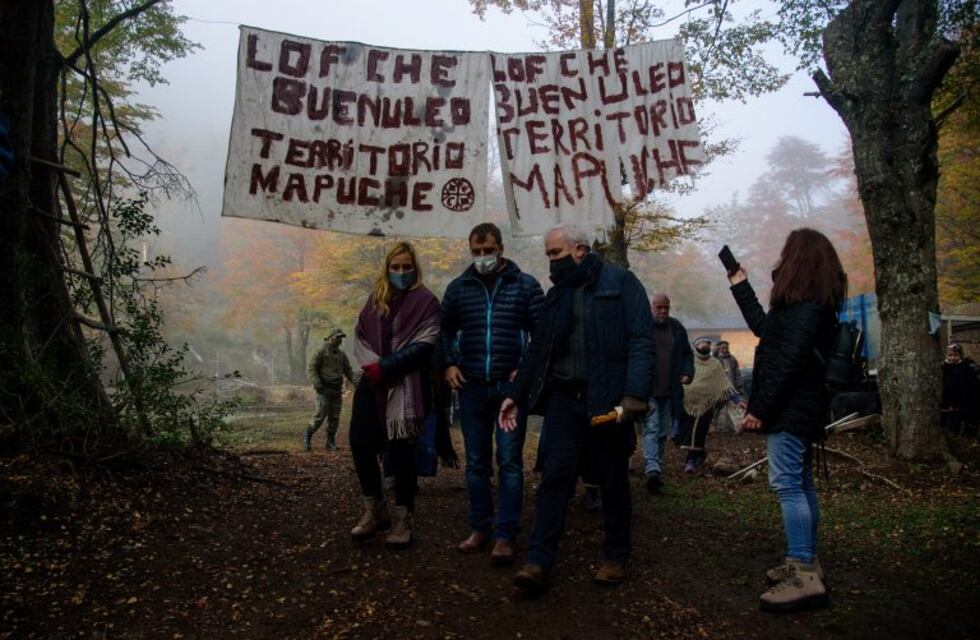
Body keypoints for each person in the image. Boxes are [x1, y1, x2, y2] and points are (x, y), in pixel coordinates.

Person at [498, 224, 653, 594]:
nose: (551, 262)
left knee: (613, 479)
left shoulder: (621, 283)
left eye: (556, 253)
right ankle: (538, 561)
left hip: (608, 401)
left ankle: (615, 556)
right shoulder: (557, 295)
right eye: (548, 255)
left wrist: (634, 394)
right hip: (564, 401)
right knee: (555, 478)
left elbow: (641, 339)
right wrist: (515, 394)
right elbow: (538, 350)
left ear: (580, 250)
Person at [728, 228, 844, 613]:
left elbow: (786, 362)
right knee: (801, 482)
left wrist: (760, 408)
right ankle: (806, 562)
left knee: (787, 486)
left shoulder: (807, 308)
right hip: (802, 408)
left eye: (785, 252)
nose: (779, 259)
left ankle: (803, 574)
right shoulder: (804, 306)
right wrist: (740, 286)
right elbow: (766, 330)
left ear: (798, 259)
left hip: (792, 410)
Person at [440, 222, 544, 565]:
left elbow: (542, 337)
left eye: (488, 250)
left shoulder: (526, 285)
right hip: (471, 389)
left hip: (509, 392)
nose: (482, 257)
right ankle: (480, 528)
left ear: (501, 248)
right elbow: (442, 332)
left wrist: (522, 373)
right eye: (476, 251)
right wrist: (449, 364)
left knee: (510, 463)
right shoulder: (458, 288)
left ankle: (505, 535)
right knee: (476, 463)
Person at [348, 242, 441, 550]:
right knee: (360, 443)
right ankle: (374, 509)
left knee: (400, 453)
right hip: (371, 384)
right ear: (387, 269)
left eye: (406, 266)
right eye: (396, 267)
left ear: (415, 268)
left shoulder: (426, 301)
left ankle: (403, 518)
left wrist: (386, 367)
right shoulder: (376, 299)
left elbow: (426, 342)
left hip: (406, 386)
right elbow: (360, 334)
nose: (401, 272)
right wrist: (373, 367)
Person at [641, 293, 693, 493]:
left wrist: (688, 372)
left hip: (670, 391)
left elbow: (687, 354)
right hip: (649, 389)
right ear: (652, 307)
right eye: (659, 307)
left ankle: (656, 469)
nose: (662, 311)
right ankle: (652, 470)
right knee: (652, 429)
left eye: (666, 308)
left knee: (663, 432)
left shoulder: (677, 328)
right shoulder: (643, 327)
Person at [677, 336, 734, 472]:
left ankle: (691, 460)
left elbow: (724, 384)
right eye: (701, 343)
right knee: (688, 430)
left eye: (707, 344)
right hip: (687, 403)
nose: (704, 346)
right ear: (695, 346)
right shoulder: (689, 362)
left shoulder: (715, 364)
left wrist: (737, 399)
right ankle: (699, 455)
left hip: (706, 404)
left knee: (699, 430)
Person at [304, 328, 356, 451]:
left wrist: (357, 383)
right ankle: (307, 435)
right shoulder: (320, 351)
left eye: (341, 338)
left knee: (335, 417)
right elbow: (311, 368)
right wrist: (317, 384)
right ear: (330, 337)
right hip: (324, 389)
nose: (339, 340)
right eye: (337, 337)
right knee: (320, 416)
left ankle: (330, 440)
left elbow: (348, 371)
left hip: (336, 389)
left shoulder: (341, 355)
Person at [942, 342, 979, 435]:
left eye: (956, 355)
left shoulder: (965, 368)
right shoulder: (943, 368)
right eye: (950, 355)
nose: (953, 358)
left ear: (960, 356)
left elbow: (969, 387)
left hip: (963, 402)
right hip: (948, 403)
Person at [712, 340, 745, 434]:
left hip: (731, 388)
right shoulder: (715, 359)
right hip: (719, 389)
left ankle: (737, 427)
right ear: (718, 349)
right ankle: (712, 427)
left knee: (734, 408)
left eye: (726, 348)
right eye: (722, 348)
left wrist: (739, 387)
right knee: (716, 409)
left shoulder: (732, 359)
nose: (725, 350)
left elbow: (737, 374)